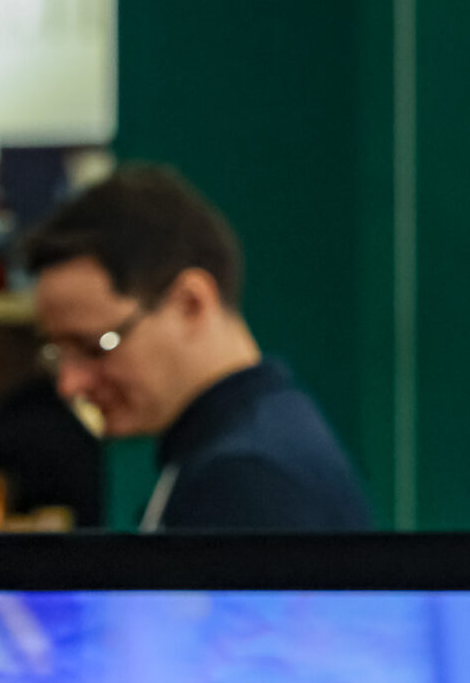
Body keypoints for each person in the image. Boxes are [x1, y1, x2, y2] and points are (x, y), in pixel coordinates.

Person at [25, 165, 371, 531]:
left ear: (191, 304)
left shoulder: (246, 480)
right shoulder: (246, 444)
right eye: (58, 353)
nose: (69, 383)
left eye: (95, 347)